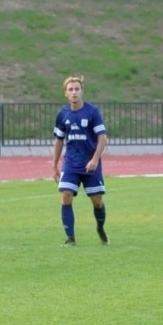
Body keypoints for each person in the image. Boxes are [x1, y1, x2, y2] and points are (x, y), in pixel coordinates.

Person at [51, 75, 108, 246]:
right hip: (71, 163)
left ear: (82, 91)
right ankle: (70, 238)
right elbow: (59, 140)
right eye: (70, 90)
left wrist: (95, 159)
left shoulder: (92, 112)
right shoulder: (63, 114)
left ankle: (100, 227)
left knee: (97, 201)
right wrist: (54, 165)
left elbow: (103, 138)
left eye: (77, 89)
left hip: (91, 164)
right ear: (66, 94)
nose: (74, 92)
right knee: (66, 195)